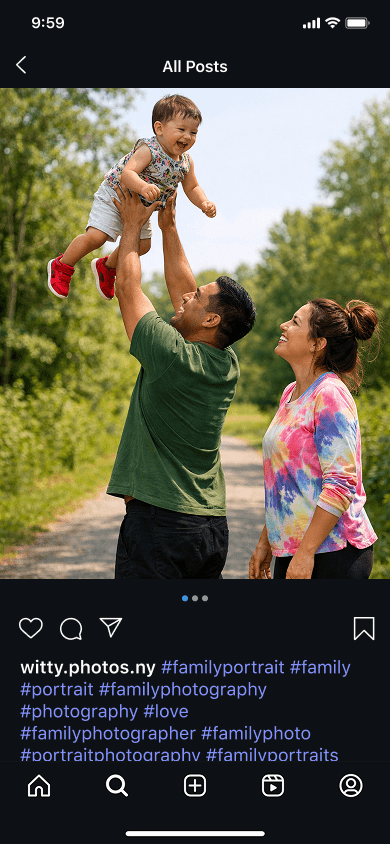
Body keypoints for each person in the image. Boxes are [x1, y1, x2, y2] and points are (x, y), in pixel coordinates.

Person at [106, 185, 256, 579]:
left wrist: (131, 226)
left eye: (199, 297)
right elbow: (184, 291)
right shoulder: (226, 362)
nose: (187, 297)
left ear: (211, 321)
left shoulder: (171, 355)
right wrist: (168, 225)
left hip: (161, 526)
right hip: (208, 527)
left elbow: (127, 287)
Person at [249, 298, 379, 580]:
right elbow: (286, 482)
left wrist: (305, 553)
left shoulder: (330, 394)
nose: (283, 325)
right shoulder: (291, 392)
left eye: (295, 322)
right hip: (296, 550)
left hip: (332, 553)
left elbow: (342, 484)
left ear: (317, 343)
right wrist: (267, 540)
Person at [47, 94, 216, 301]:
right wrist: (144, 186)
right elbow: (128, 174)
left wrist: (204, 203)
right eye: (181, 130)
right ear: (159, 128)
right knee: (97, 237)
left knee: (143, 246)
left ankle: (106, 267)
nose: (187, 136)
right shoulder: (150, 149)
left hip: (142, 207)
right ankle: (62, 265)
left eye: (193, 132)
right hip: (115, 194)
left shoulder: (186, 162)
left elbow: (192, 187)